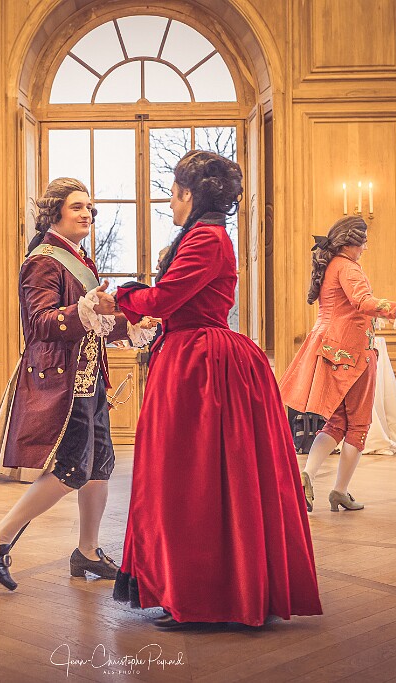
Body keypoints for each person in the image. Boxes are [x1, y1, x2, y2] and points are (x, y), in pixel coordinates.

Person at [104, 150, 322, 628]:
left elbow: (165, 299)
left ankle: (205, 596)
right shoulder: (204, 235)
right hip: (192, 361)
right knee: (191, 479)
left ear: (189, 194)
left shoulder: (206, 238)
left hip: (202, 368)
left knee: (195, 480)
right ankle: (196, 589)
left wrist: (119, 295)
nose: (169, 201)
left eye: (173, 192)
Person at [0, 178, 156, 591]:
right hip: (62, 380)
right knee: (72, 469)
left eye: (89, 207)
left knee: (99, 466)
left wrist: (130, 324)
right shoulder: (43, 261)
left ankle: (87, 551)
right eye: (77, 206)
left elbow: (93, 323)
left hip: (90, 380)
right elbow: (40, 323)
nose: (87, 213)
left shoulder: (80, 260)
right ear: (55, 212)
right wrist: (86, 308)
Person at [278, 217, 396, 512]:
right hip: (353, 353)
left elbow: (347, 308)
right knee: (358, 425)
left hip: (329, 348)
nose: (364, 249)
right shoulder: (348, 267)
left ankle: (307, 475)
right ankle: (339, 490)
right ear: (351, 243)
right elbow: (362, 301)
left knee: (337, 422)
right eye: (363, 243)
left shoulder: (332, 265)